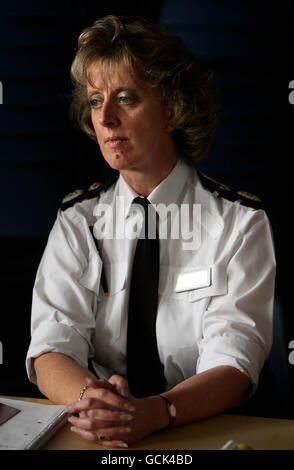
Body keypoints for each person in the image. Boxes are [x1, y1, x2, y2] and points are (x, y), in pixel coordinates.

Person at [26, 15, 276, 448]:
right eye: (95, 100)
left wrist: (158, 412)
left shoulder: (241, 222)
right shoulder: (76, 220)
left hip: (203, 428)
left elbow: (235, 361)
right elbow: (52, 344)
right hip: (103, 431)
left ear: (173, 108)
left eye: (125, 98)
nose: (105, 118)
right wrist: (96, 401)